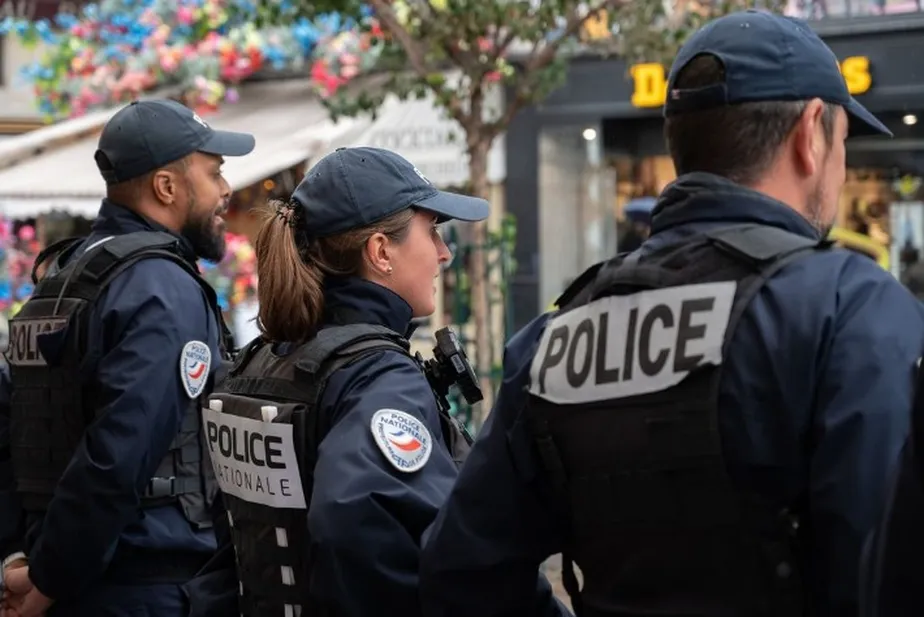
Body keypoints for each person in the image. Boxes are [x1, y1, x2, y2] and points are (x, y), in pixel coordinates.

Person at [419, 10, 924, 617]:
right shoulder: (851, 311)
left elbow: (461, 571)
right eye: (844, 141)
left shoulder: (554, 338)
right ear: (812, 134)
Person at [201, 146, 569, 617]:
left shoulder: (258, 364)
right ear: (380, 252)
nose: (444, 253)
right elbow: (359, 529)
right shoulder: (376, 377)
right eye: (432, 231)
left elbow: (227, 545)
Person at [0, 98, 254, 617]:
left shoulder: (66, 276)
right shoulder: (161, 288)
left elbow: (14, 432)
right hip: (140, 585)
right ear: (167, 186)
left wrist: (22, 561)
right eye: (214, 173)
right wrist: (49, 580)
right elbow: (118, 455)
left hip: (68, 572)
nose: (226, 190)